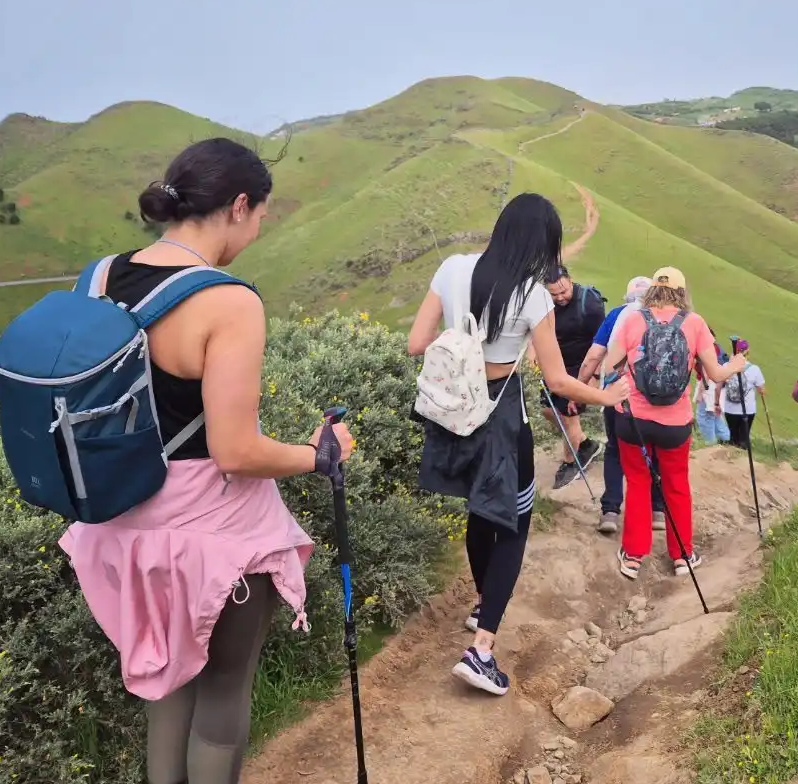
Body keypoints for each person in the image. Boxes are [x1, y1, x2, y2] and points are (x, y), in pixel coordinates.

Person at [59, 138, 355, 784]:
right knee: (223, 696)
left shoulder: (99, 277)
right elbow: (234, 450)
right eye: (259, 217)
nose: (256, 230)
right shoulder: (229, 302)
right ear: (239, 206)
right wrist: (317, 453)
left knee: (165, 688)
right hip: (214, 540)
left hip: (123, 526)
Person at [407, 194, 630, 696]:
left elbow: (416, 343)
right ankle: (482, 650)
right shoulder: (533, 295)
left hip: (450, 413)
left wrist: (462, 337)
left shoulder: (452, 268)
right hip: (501, 418)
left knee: (477, 512)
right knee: (511, 523)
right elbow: (559, 380)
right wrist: (607, 396)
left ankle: (483, 601)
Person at [601, 267, 747, 579]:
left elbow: (610, 365)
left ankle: (633, 557)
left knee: (638, 484)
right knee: (676, 486)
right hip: (675, 423)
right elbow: (716, 375)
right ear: (682, 291)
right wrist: (735, 364)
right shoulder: (694, 324)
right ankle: (682, 556)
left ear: (652, 290)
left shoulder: (631, 320)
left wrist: (629, 378)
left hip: (634, 420)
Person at [574, 275, 663, 536]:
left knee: (615, 450)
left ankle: (611, 511)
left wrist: (578, 389)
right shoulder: (666, 316)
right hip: (654, 398)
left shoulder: (617, 315)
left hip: (619, 394)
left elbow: (593, 357)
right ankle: (657, 509)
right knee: (653, 450)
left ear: (628, 296)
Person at [542, 265, 607, 489]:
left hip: (582, 368)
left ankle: (570, 463)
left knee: (568, 415)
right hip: (555, 366)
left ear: (570, 281)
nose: (560, 298)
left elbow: (601, 346)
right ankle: (585, 443)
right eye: (554, 294)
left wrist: (589, 383)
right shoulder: (543, 303)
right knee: (548, 411)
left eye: (563, 291)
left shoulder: (589, 304)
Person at [719, 337, 765, 450]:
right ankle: (743, 459)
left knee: (732, 436)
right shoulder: (754, 369)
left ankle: (731, 458)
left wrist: (716, 403)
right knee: (744, 438)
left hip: (730, 409)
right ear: (747, 351)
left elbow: (719, 385)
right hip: (748, 409)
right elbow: (762, 390)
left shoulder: (726, 367)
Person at [693, 328, 730, 445]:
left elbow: (706, 372)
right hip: (719, 385)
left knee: (704, 417)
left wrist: (700, 393)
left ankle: (710, 445)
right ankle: (727, 440)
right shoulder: (717, 347)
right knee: (715, 416)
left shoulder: (706, 349)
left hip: (708, 386)